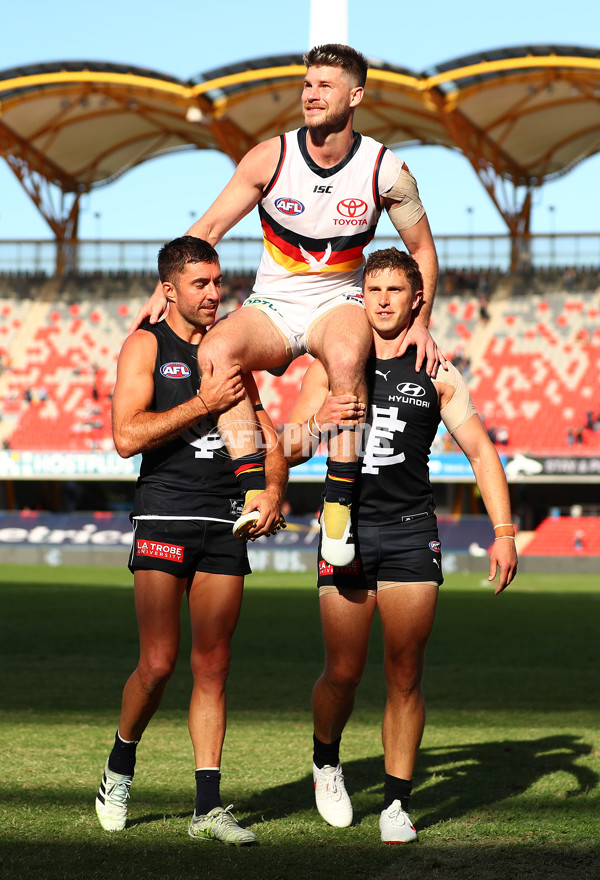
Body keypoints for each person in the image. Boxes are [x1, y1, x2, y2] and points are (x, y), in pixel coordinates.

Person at [133, 44, 440, 569]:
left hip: (338, 300)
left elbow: (424, 252)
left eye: (325, 85)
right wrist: (162, 288)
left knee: (347, 356)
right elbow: (206, 231)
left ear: (356, 95)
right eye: (307, 84)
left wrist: (423, 321)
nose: (311, 94)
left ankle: (339, 506)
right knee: (217, 348)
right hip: (273, 303)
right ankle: (253, 486)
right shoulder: (268, 158)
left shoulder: (386, 170)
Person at [282, 248, 518, 844]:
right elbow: (285, 446)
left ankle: (396, 803)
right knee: (343, 672)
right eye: (374, 288)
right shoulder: (333, 359)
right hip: (346, 532)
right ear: (362, 295)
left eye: (396, 289)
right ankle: (326, 761)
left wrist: (505, 532)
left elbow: (482, 453)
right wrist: (320, 421)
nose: (383, 299)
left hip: (413, 532)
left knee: (406, 674)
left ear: (417, 300)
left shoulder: (436, 369)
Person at [95, 236, 287, 845]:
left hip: (225, 518)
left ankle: (208, 806)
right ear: (170, 289)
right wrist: (201, 404)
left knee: (214, 664)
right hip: (165, 515)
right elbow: (127, 436)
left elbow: (266, 436)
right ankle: (119, 768)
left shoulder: (232, 349)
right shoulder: (145, 345)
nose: (214, 293)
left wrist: (272, 492)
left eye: (218, 281)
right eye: (201, 283)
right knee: (157, 663)